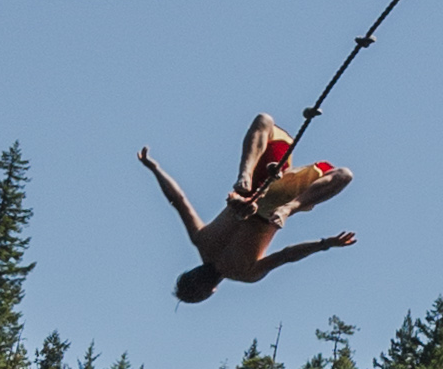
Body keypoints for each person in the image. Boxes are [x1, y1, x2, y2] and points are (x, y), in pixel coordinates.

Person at [137, 114, 354, 304]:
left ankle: (269, 193)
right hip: (263, 191)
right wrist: (154, 169)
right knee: (265, 121)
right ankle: (251, 179)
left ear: (212, 290)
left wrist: (325, 244)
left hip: (267, 198)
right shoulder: (201, 240)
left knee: (343, 175)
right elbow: (178, 199)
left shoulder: (246, 273)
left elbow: (287, 255)